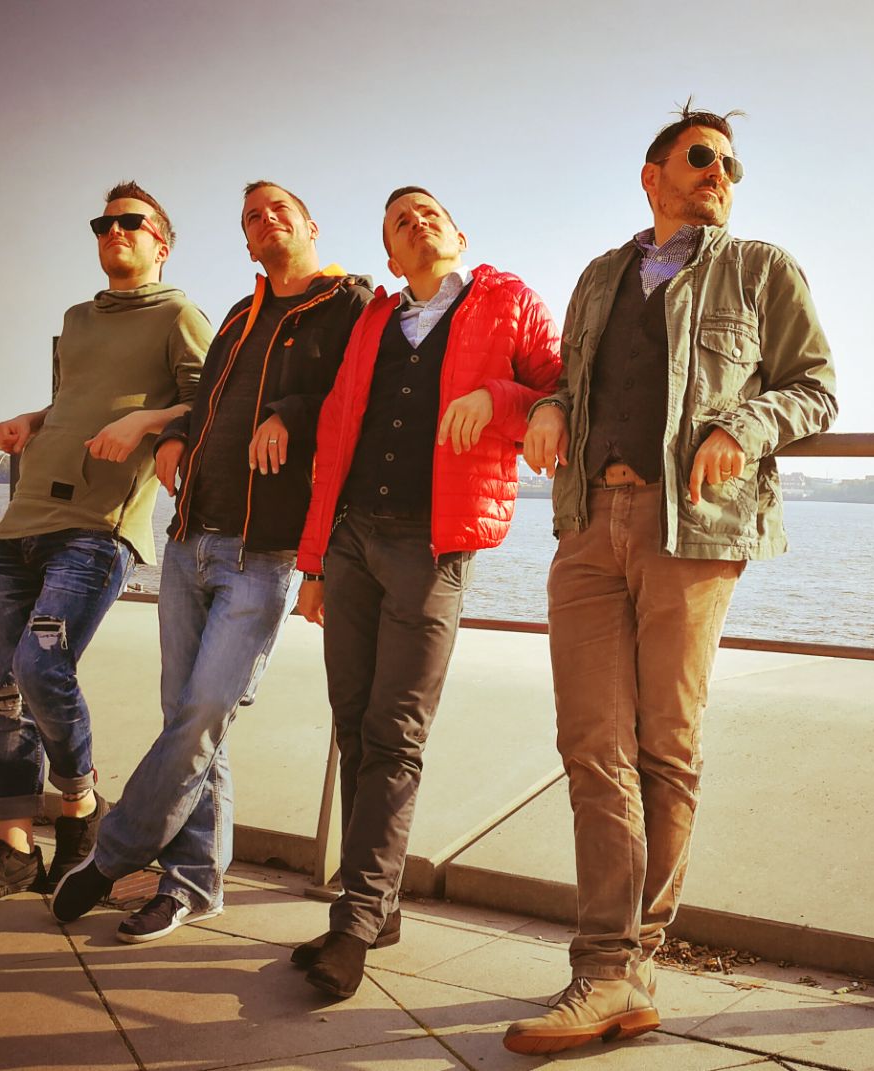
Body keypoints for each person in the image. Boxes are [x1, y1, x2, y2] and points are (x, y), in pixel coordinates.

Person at [504, 105, 838, 1054]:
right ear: (652, 175)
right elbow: (573, 381)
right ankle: (611, 969)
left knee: (667, 744)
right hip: (587, 525)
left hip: (690, 528)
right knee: (590, 742)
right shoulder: (598, 276)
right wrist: (548, 406)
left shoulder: (762, 269)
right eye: (701, 157)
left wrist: (743, 425)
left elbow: (814, 387)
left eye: (732, 163)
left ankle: (623, 963)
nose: (720, 173)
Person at [51, 183, 373, 941]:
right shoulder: (238, 315)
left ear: (311, 225)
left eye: (278, 210)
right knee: (191, 720)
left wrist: (289, 414)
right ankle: (194, 884)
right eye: (251, 218)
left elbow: (353, 396)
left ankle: (112, 853)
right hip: (190, 538)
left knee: (203, 714)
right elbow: (206, 400)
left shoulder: (349, 306)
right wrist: (173, 435)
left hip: (265, 551)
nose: (265, 221)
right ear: (246, 241)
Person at [290, 186, 562, 999]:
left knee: (395, 732)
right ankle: (376, 907)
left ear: (459, 234)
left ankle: (354, 922)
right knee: (353, 723)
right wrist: (314, 562)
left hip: (432, 543)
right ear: (389, 254)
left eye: (430, 213)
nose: (418, 223)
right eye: (401, 222)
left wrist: (496, 398)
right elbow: (336, 431)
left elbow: (560, 394)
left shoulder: (510, 301)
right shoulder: (375, 319)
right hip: (351, 539)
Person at [0, 182, 210, 910]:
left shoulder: (179, 314)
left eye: (132, 223)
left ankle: (83, 805)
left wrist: (148, 422)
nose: (114, 231)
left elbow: (209, 398)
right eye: (104, 223)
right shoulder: (77, 318)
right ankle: (14, 847)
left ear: (161, 242)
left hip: (96, 527)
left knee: (40, 665)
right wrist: (33, 419)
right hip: (21, 521)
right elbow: (76, 398)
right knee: (7, 691)